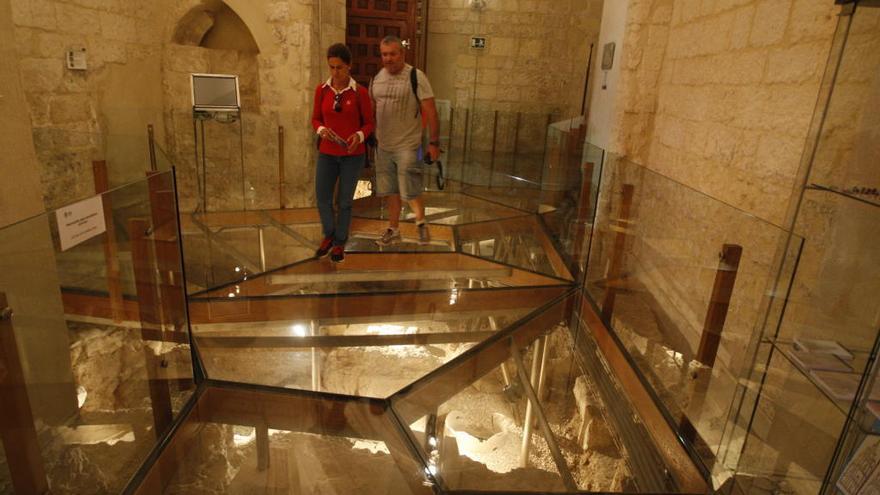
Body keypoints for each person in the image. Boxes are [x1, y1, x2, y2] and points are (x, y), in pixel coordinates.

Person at [370, 35, 440, 245]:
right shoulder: (377, 78)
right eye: (384, 54)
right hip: (384, 146)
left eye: (392, 53)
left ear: (402, 54)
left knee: (410, 189)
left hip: (409, 145)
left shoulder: (416, 77)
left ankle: (420, 223)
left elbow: (431, 111)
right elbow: (372, 109)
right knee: (391, 191)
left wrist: (434, 143)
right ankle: (393, 228)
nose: (388, 58)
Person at [311, 43, 374, 263]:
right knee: (322, 198)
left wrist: (358, 135)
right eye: (331, 67)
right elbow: (315, 118)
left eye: (339, 67)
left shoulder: (360, 93)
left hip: (352, 155)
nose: (335, 72)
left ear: (349, 66)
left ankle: (340, 242)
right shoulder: (322, 90)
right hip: (327, 152)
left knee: (345, 201)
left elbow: (369, 124)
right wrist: (320, 130)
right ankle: (328, 235)